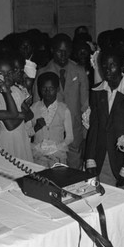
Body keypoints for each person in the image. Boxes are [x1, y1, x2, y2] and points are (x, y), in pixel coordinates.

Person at [33, 34, 89, 169]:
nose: (63, 55)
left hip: (74, 131)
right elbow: (36, 105)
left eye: (67, 51)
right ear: (52, 50)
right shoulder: (43, 72)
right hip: (50, 134)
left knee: (74, 170)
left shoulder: (79, 71)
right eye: (59, 51)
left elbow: (85, 105)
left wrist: (85, 133)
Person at [85, 50, 124, 188]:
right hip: (101, 156)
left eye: (112, 65)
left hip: (121, 158)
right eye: (104, 65)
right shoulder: (97, 91)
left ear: (122, 67)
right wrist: (90, 158)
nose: (107, 69)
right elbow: (94, 125)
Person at [0, 54, 34, 161]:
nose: (6, 77)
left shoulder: (16, 90)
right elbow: (10, 125)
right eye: (2, 74)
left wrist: (19, 115)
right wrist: (22, 114)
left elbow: (30, 115)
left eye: (9, 73)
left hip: (21, 136)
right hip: (8, 139)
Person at [30, 72, 73, 167]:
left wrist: (56, 147)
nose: (47, 92)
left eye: (51, 89)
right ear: (39, 90)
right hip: (38, 155)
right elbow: (26, 132)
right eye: (44, 88)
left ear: (57, 89)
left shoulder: (64, 110)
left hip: (57, 155)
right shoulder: (34, 108)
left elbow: (70, 137)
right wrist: (36, 128)